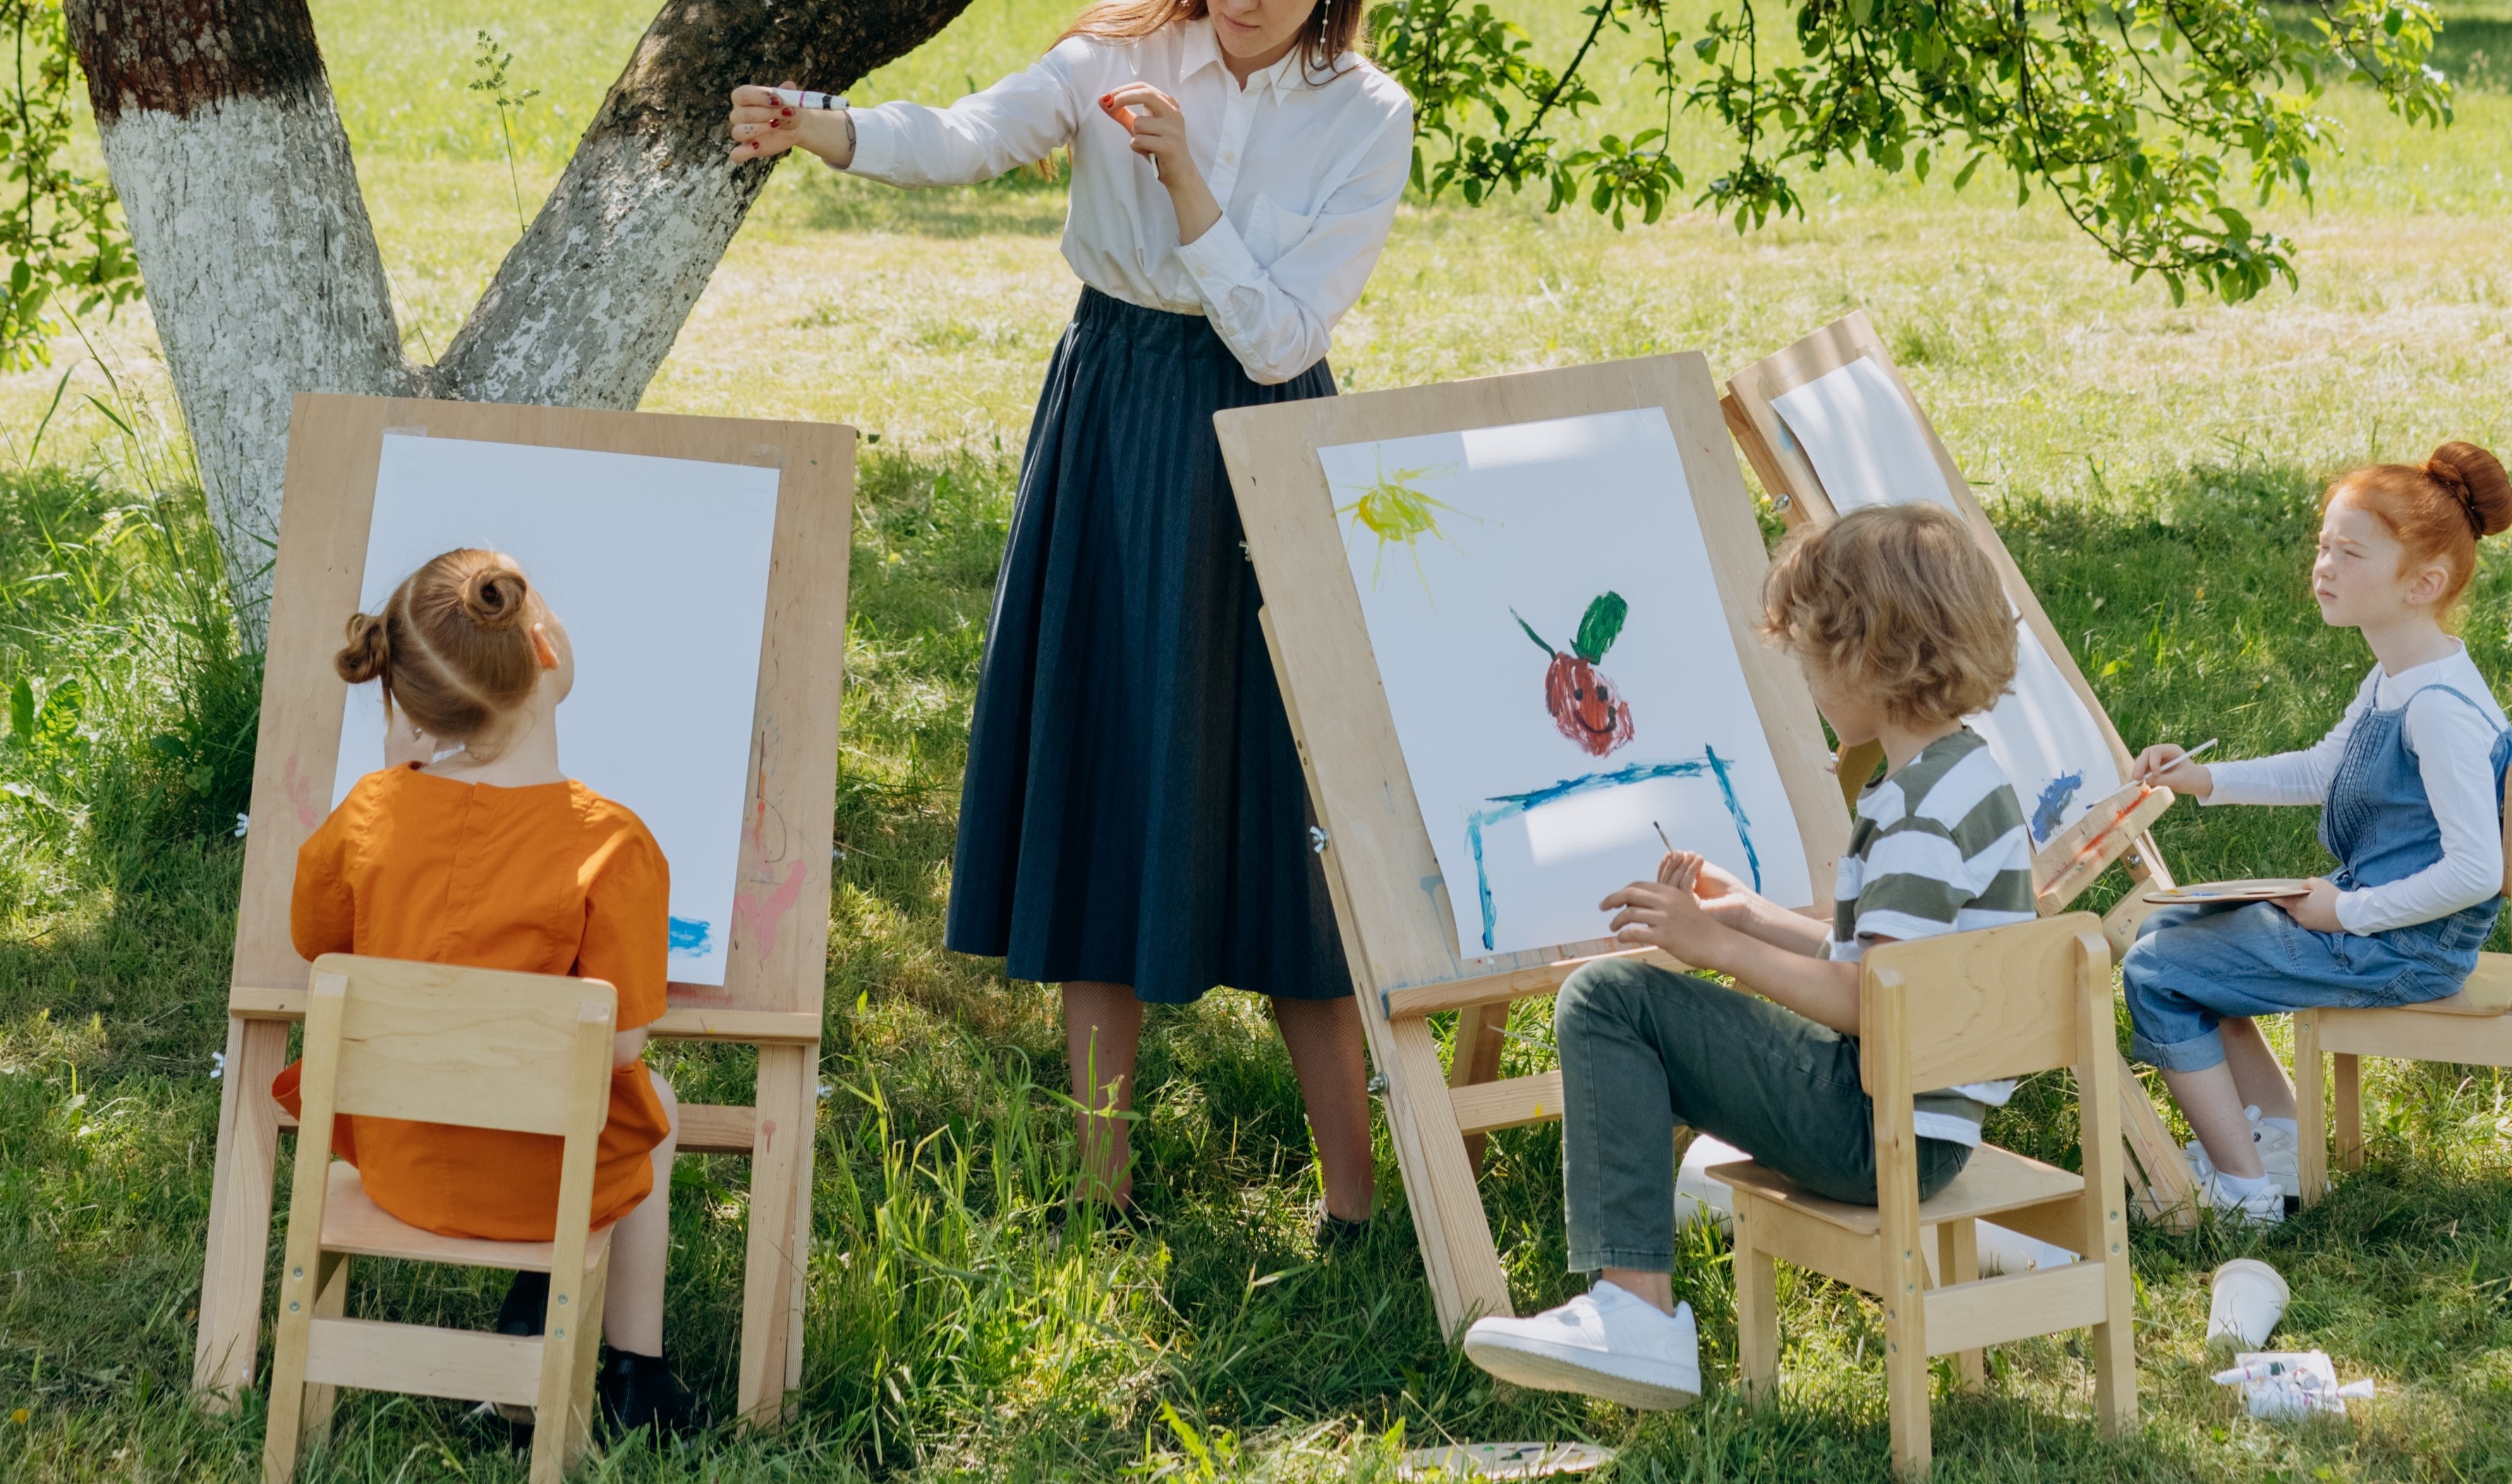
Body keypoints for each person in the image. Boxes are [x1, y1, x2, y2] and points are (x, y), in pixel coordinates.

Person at [727, 0, 1414, 1243]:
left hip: (1264, 447)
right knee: (1108, 766)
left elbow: (1275, 341)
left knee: (1289, 806)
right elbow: (964, 135)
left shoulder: (1368, 117)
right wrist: (815, 128)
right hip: (1114, 423)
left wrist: (1187, 181)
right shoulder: (1115, 55)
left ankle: (1354, 1203)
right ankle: (1102, 1191)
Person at [1461, 504, 2037, 1409]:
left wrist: (1714, 945)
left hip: (1876, 1132)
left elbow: (1867, 1003)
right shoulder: (1965, 777)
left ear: (1866, 657)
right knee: (1632, 997)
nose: (1805, 683)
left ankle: (1637, 1315)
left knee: (1609, 998)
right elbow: (1896, 966)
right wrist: (1757, 918)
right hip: (1924, 1125)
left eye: (1811, 658)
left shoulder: (1912, 813)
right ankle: (1633, 1304)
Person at [273, 549, 693, 1435]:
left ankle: (540, 1317)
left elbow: (320, 943)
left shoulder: (373, 809)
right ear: (543, 645)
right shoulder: (615, 844)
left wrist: (395, 780)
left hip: (396, 1167)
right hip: (544, 1182)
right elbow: (617, 1050)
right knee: (660, 1107)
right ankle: (637, 1372)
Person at [2123, 442, 2512, 1224]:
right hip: (2388, 929)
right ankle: (2276, 1144)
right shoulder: (2399, 674)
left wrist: (2342, 912)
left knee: (2153, 966)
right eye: (2322, 547)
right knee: (2180, 925)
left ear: (2423, 583)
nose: (2323, 566)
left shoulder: (2437, 710)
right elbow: (2321, 769)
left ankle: (2243, 1195)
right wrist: (2204, 779)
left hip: (2403, 949)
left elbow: (2477, 869)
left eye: (2349, 552)